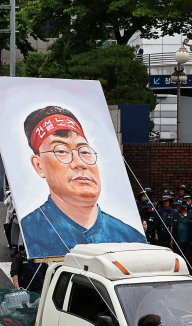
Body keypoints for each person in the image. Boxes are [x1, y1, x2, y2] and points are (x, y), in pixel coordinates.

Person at [21, 107, 146, 258]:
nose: (80, 163)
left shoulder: (131, 238)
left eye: (85, 152)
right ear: (39, 165)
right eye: (61, 151)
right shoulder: (30, 231)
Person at [170, 199, 192, 267]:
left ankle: (189, 270)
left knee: (188, 256)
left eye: (179, 205)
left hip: (188, 240)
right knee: (177, 256)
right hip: (177, 240)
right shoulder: (175, 215)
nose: (177, 206)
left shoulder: (191, 215)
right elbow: (172, 227)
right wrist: (171, 239)